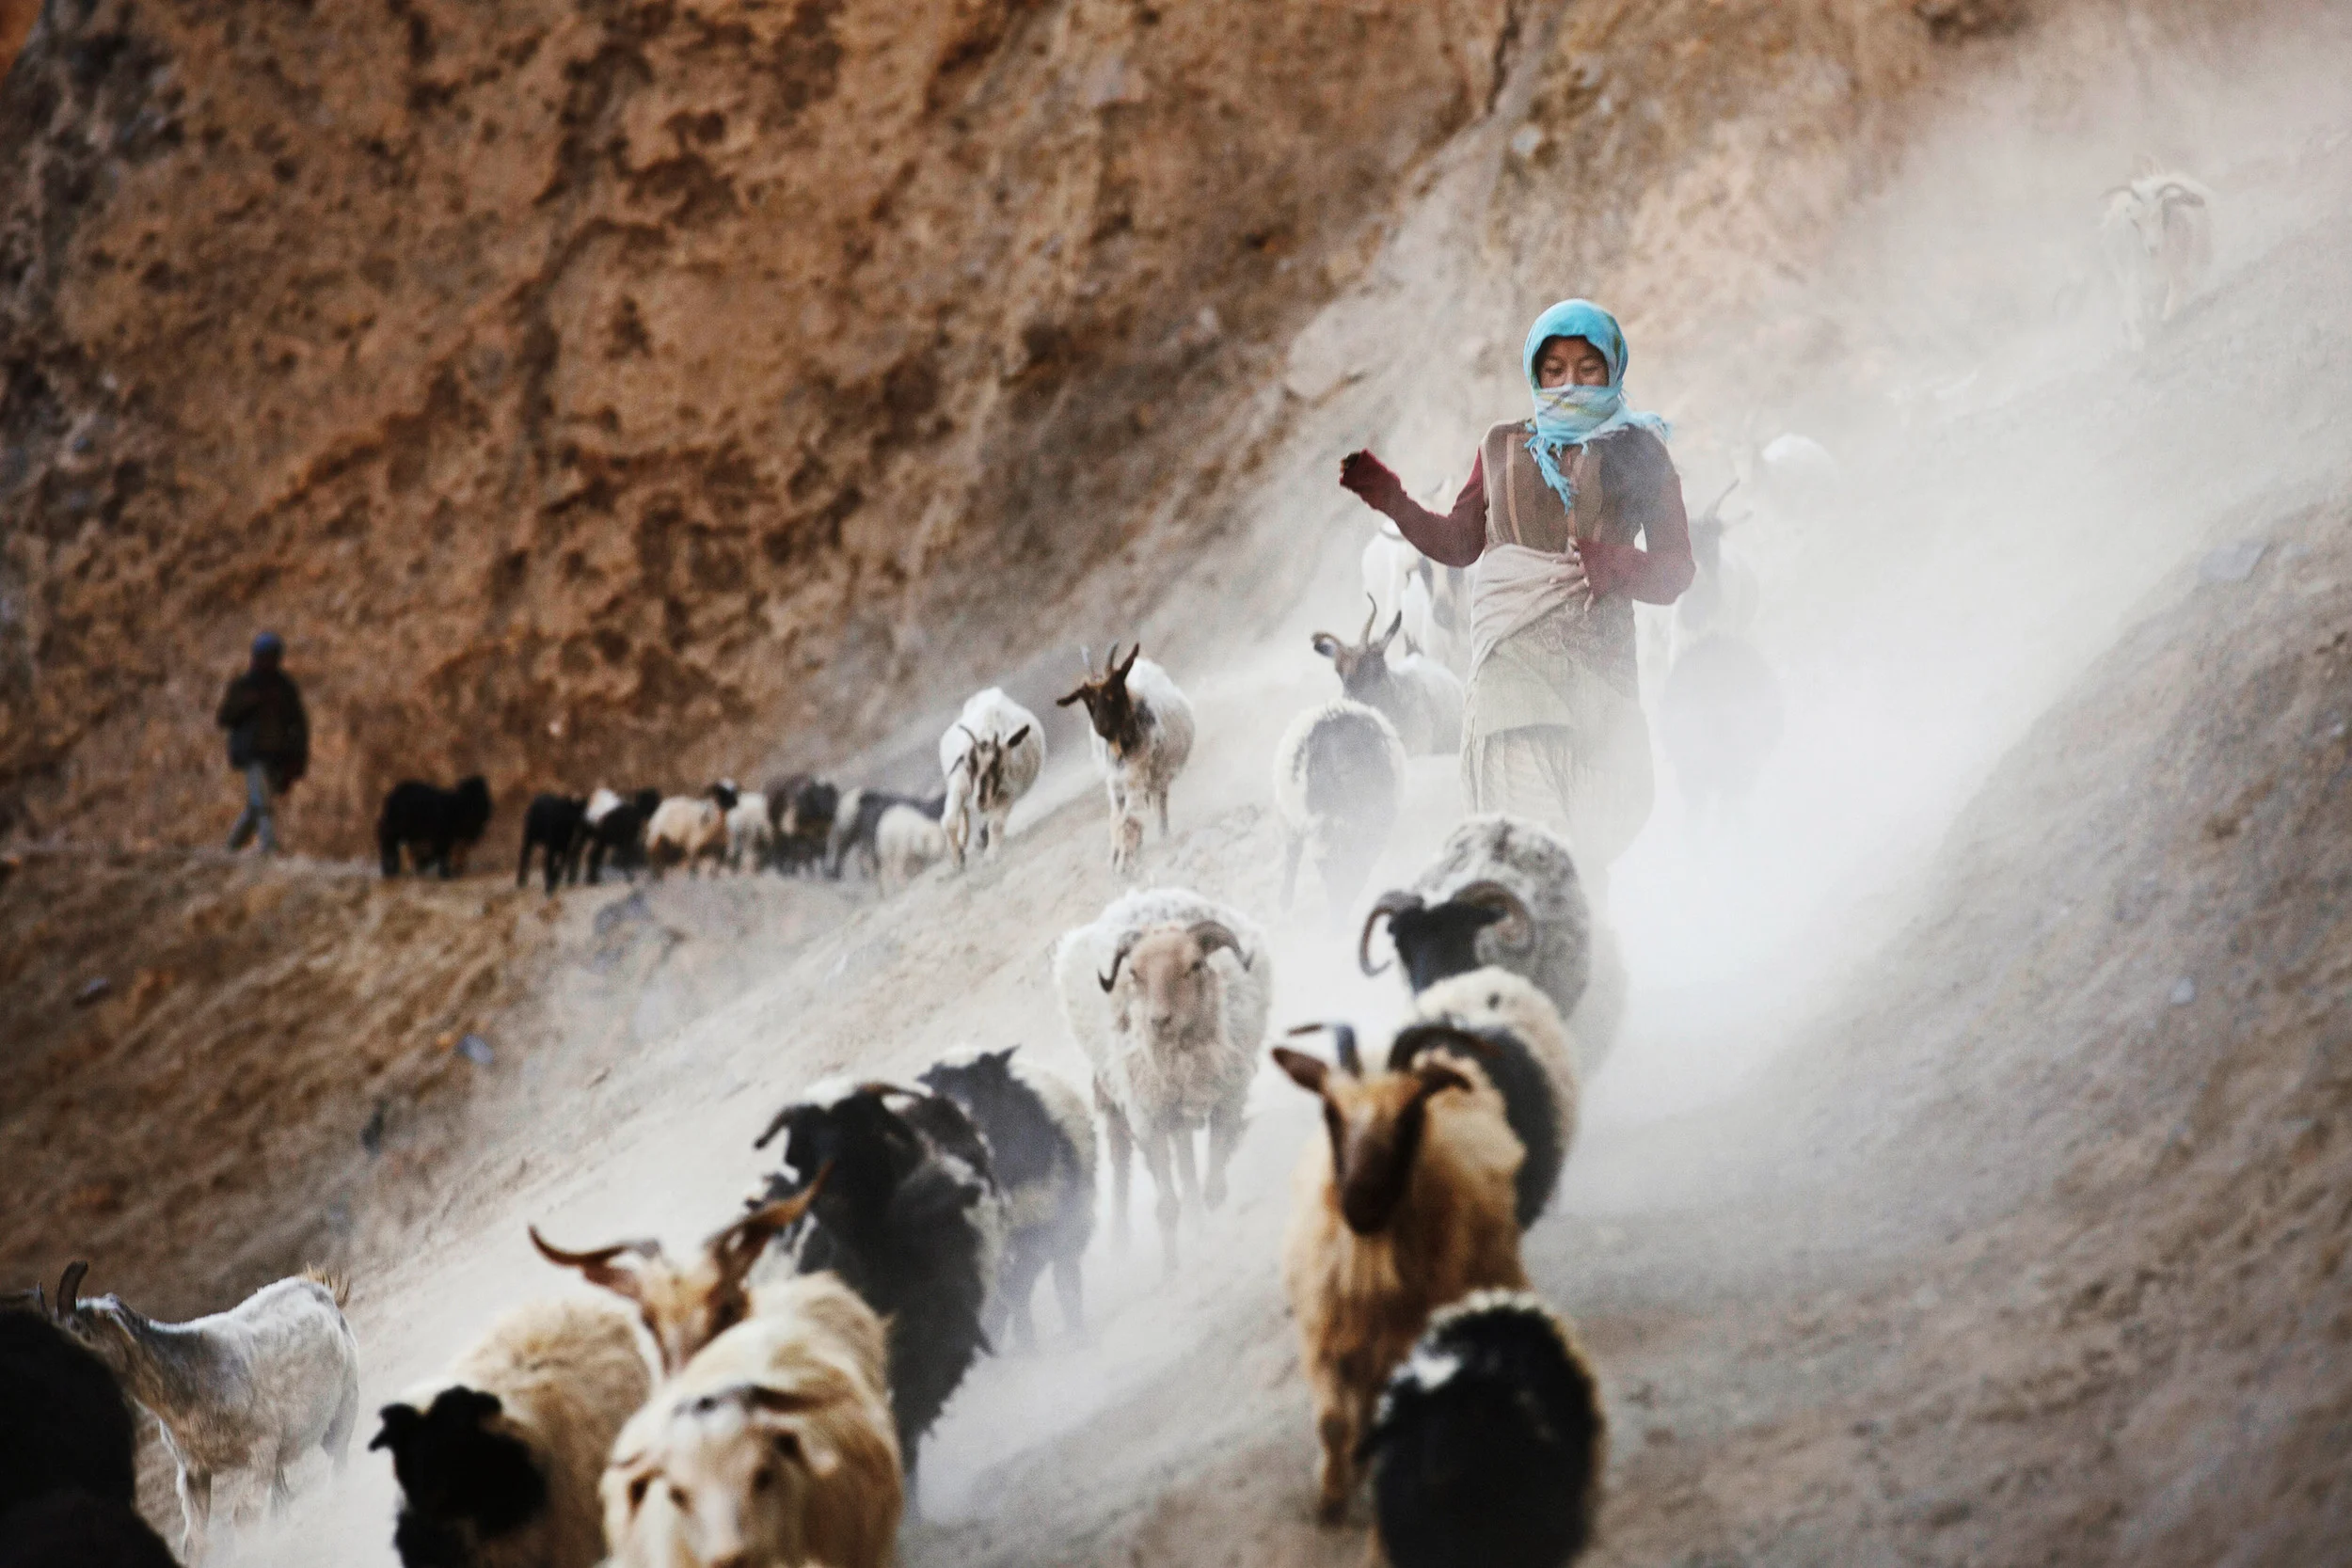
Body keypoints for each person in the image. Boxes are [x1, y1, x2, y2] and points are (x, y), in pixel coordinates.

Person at [1338, 299, 1692, 879]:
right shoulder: (1500, 445)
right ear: (1534, 373)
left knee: (1589, 850)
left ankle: (1585, 952)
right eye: (1554, 370)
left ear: (1613, 369)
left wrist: (1618, 563)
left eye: (1588, 368)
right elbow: (1460, 545)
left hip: (1600, 671)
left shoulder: (1641, 453)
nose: (1570, 382)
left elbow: (1678, 570)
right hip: (1512, 667)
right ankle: (1537, 948)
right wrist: (1393, 501)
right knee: (1535, 851)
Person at [215, 630, 309, 853]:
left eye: (271, 656)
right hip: (252, 754)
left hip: (277, 755)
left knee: (255, 806)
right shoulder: (245, 685)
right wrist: (250, 702)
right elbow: (224, 718)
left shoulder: (285, 688)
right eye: (264, 656)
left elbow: (299, 725)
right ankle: (269, 848)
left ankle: (231, 848)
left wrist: (297, 760)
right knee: (262, 805)